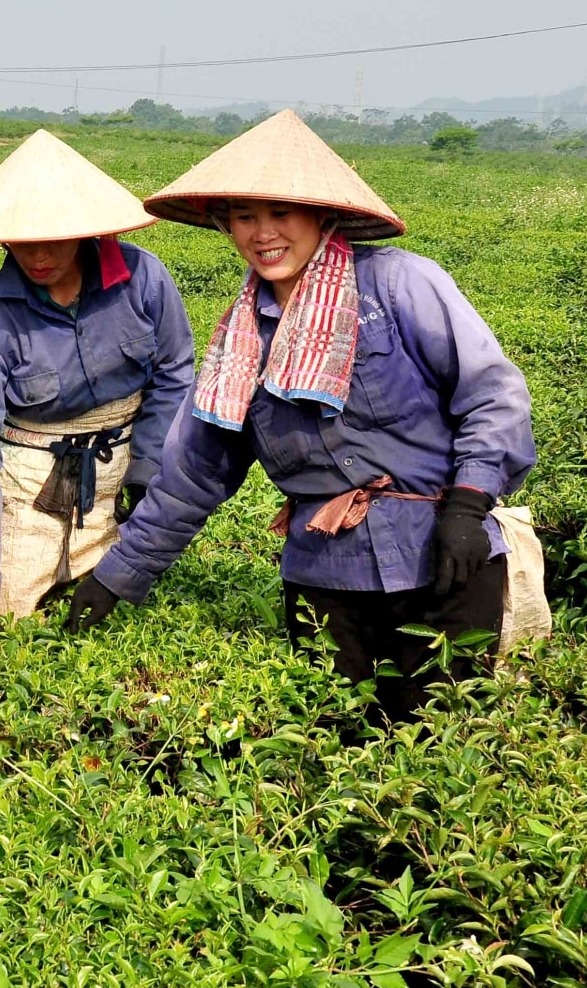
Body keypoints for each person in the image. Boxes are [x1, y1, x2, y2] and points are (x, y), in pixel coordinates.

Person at [74, 110, 539, 722]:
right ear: (225, 224)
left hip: (444, 563)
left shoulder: (400, 287)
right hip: (325, 580)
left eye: (281, 213)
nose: (262, 233)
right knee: (337, 750)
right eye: (244, 216)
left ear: (322, 215)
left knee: (441, 750)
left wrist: (468, 505)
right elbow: (195, 474)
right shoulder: (240, 342)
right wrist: (116, 576)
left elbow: (492, 395)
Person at [0, 130, 196, 636]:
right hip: (26, 482)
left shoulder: (143, 279)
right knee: (10, 622)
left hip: (119, 473)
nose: (38, 256)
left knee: (121, 623)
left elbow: (174, 374)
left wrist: (148, 468)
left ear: (87, 230)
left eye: (53, 237)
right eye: (23, 240)